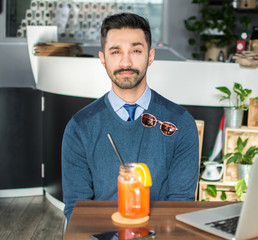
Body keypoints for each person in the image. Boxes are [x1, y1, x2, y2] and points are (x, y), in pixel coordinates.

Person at [61, 13, 199, 221]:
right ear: (103, 58)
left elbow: (180, 206)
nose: (126, 61)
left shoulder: (181, 123)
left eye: (135, 50)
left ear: (150, 56)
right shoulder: (80, 127)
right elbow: (76, 211)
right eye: (116, 52)